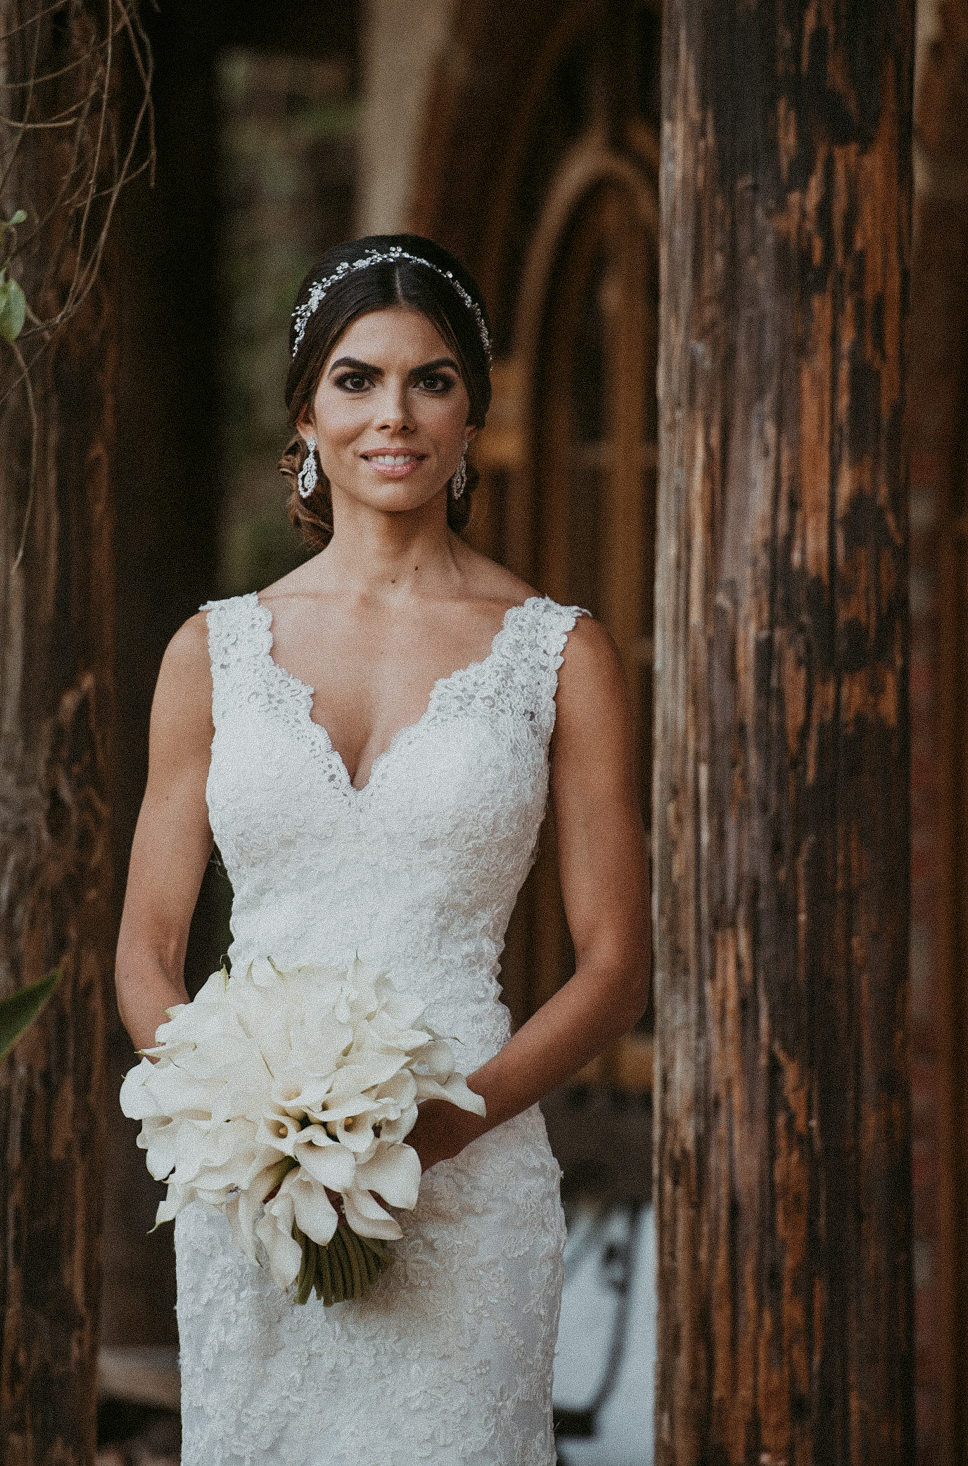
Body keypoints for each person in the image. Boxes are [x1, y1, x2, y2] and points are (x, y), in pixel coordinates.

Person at [115, 234, 651, 1466]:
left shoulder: (559, 657)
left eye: (432, 380)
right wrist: (237, 1122)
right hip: (253, 1196)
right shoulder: (215, 651)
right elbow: (145, 950)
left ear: (472, 417)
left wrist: (447, 1128)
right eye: (356, 380)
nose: (391, 415)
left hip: (466, 1181)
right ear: (307, 410)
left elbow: (614, 966)